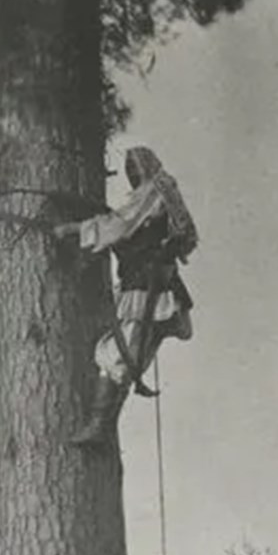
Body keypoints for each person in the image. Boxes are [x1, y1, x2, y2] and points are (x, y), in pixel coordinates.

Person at [54, 146, 197, 447]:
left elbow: (120, 224)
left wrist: (76, 229)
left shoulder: (153, 192)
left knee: (114, 355)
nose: (132, 174)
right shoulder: (162, 193)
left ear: (146, 166)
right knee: (124, 355)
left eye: (135, 167)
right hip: (150, 289)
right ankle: (101, 425)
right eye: (128, 168)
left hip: (148, 293)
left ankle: (98, 426)